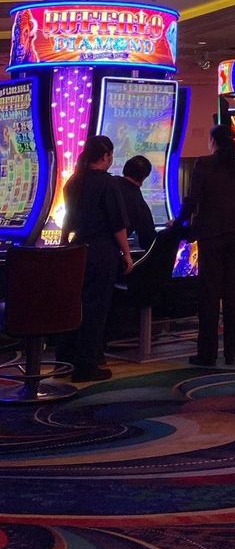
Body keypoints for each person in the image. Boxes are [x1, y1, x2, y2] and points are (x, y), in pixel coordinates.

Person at [59, 134, 133, 382]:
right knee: (95, 309)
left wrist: (63, 245)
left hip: (76, 248)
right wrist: (127, 254)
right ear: (106, 156)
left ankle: (66, 358)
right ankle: (86, 365)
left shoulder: (74, 181)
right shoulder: (108, 184)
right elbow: (117, 225)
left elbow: (67, 221)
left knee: (75, 306)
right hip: (101, 251)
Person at [182, 124, 235, 367]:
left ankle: (207, 353)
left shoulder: (204, 163)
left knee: (209, 295)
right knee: (232, 294)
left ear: (213, 141)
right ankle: (232, 352)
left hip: (211, 234)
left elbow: (192, 199)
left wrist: (179, 220)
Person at [116, 155, 156, 252]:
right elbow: (147, 240)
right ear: (144, 177)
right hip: (109, 253)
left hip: (82, 247)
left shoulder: (108, 183)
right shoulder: (139, 203)